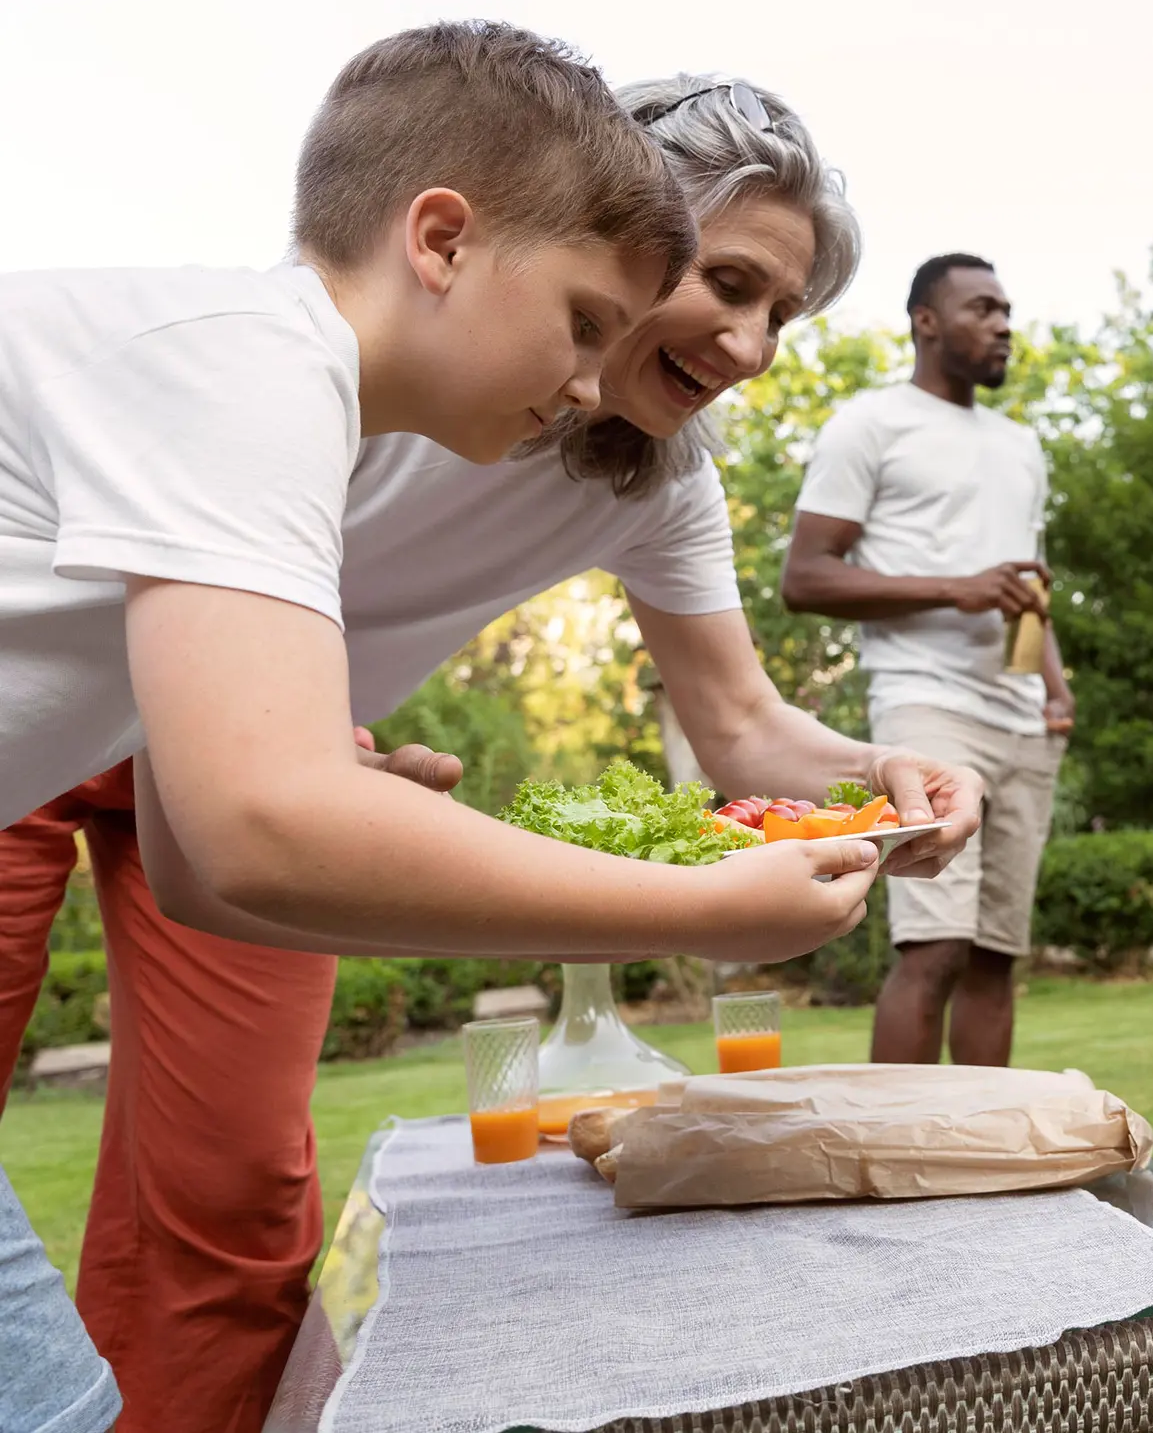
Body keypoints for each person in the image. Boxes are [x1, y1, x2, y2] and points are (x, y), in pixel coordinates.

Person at [0, 71, 987, 1433]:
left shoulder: (653, 470)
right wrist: (699, 906)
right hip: (186, 721)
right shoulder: (310, 366)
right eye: (729, 282)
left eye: (787, 318)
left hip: (271, 740)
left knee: (235, 1190)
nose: (754, 347)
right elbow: (255, 819)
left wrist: (873, 775)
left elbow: (743, 723)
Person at [782, 254, 1074, 1067]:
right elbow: (805, 578)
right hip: (927, 710)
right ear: (926, 321)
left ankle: (981, 1166)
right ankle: (896, 1165)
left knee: (994, 958)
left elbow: (1024, 585)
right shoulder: (869, 425)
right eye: (982, 307)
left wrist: (1056, 688)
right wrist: (957, 590)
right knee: (934, 947)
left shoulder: (1021, 445)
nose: (1004, 323)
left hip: (1023, 720)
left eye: (1008, 309)